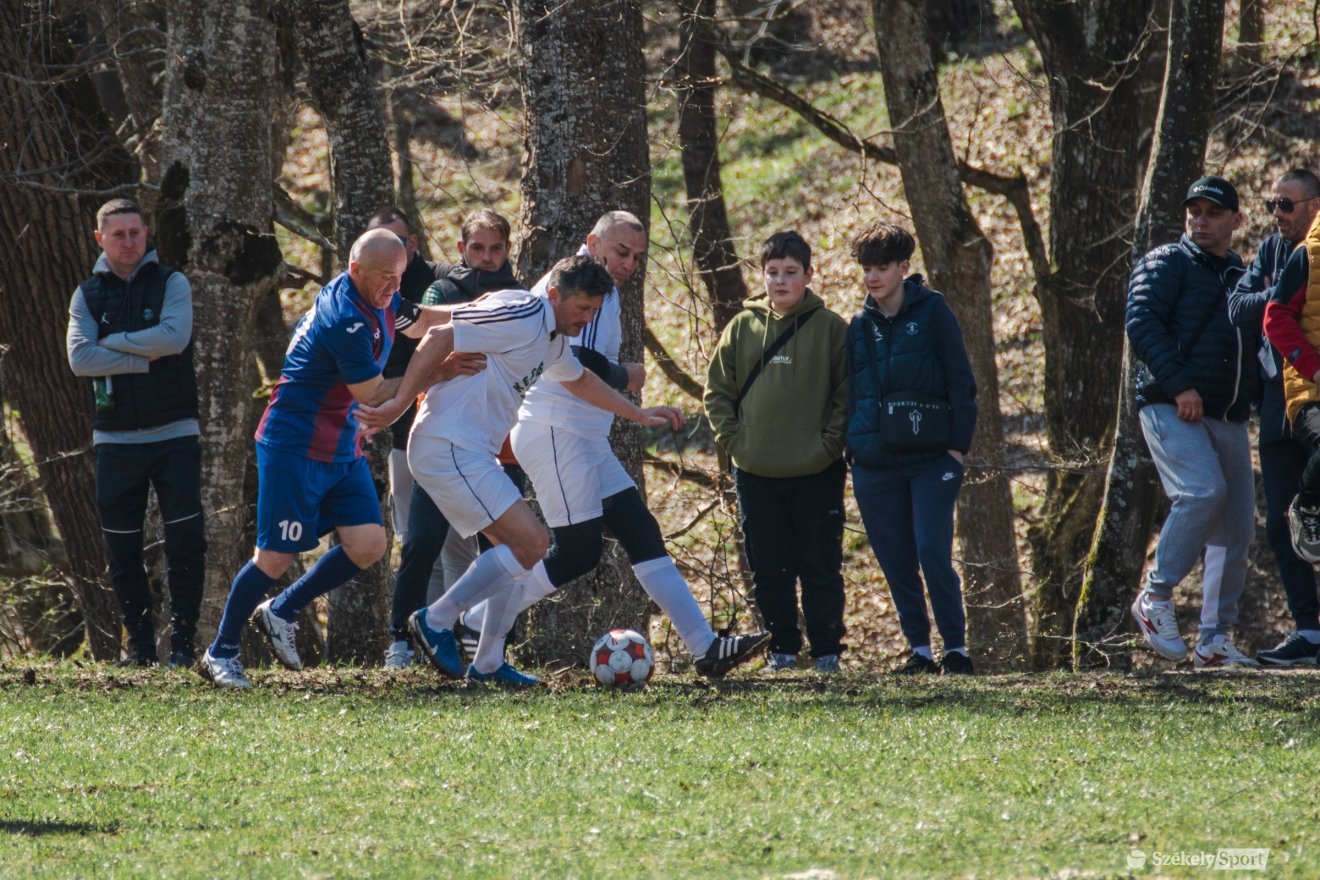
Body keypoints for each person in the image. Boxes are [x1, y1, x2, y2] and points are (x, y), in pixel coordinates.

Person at [459, 211, 770, 676]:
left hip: (585, 437)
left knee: (641, 531)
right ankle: (474, 621)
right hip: (554, 432)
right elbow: (573, 361)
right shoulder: (573, 286)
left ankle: (704, 647)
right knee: (577, 552)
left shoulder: (604, 289)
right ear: (593, 241)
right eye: (621, 251)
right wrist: (628, 380)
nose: (628, 263)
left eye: (637, 257)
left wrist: (628, 399)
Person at [361, 255, 688, 688]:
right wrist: (399, 403)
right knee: (531, 543)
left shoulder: (549, 337)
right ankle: (435, 619)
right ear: (554, 294)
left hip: (470, 449)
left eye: (594, 311)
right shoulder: (525, 311)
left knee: (517, 553)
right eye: (581, 309)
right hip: (449, 442)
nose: (586, 319)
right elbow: (440, 334)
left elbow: (580, 380)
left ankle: (490, 661)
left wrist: (638, 414)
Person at [198, 229, 481, 688]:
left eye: (398, 276)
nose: (393, 286)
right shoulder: (346, 318)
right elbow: (374, 396)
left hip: (339, 443)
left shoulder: (380, 294)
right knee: (274, 557)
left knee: (369, 544)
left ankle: (282, 609)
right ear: (354, 270)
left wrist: (486, 315)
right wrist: (438, 369)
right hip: (294, 444)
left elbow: (424, 318)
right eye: (384, 278)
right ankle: (221, 653)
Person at [66, 198, 206, 668]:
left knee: (185, 543)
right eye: (118, 233)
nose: (128, 242)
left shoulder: (172, 283)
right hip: (115, 440)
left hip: (175, 434)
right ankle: (142, 651)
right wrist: (143, 359)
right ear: (99, 238)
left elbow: (173, 338)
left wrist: (112, 345)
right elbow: (79, 360)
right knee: (122, 549)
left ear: (147, 235)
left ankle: (183, 648)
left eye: (136, 233)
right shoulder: (86, 294)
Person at [383, 208, 523, 669]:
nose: (486, 257)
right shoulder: (440, 291)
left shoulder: (522, 298)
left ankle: (490, 646)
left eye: (495, 248)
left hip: (502, 443)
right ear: (461, 250)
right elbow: (416, 344)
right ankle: (400, 640)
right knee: (422, 541)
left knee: (505, 551)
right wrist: (441, 367)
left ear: (507, 250)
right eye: (477, 247)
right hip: (444, 439)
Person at [1127, 176, 1258, 668]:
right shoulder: (1166, 262)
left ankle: (1215, 642)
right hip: (1171, 403)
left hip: (1226, 414)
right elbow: (1141, 321)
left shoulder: (1242, 276)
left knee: (1235, 531)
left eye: (1213, 212)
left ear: (1235, 221)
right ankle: (1155, 597)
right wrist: (1180, 385)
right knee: (1202, 492)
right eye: (1194, 211)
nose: (1200, 220)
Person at [703, 231, 849, 672]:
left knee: (820, 565)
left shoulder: (832, 329)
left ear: (809, 274)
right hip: (755, 472)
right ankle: (781, 649)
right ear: (761, 276)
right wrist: (737, 443)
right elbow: (717, 393)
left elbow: (847, 396)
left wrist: (826, 446)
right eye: (772, 273)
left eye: (790, 272)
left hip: (817, 471)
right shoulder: (741, 328)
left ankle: (826, 652)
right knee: (769, 567)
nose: (781, 281)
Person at [843, 223, 977, 675]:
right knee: (896, 559)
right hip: (874, 464)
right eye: (866, 268)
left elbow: (961, 381)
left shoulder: (934, 311)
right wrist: (854, 451)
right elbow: (849, 392)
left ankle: (955, 650)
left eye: (882, 267)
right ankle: (919, 651)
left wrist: (956, 449)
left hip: (932, 459)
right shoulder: (858, 325)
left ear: (904, 267)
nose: (873, 276)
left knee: (931, 551)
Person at [1228, 169, 1320, 666]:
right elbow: (1239, 305)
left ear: (1313, 204)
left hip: (1315, 395)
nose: (1277, 214)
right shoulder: (1271, 252)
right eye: (1272, 205)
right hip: (1273, 398)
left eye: (1286, 205)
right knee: (1283, 521)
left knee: (1311, 508)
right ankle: (1308, 632)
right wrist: (1283, 292)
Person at [364, 208, 443, 582]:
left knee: (455, 538)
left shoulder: (437, 281)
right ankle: (414, 627)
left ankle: (452, 627)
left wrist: (486, 314)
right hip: (398, 434)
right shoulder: (358, 299)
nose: (386, 255)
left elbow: (426, 321)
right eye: (376, 247)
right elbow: (372, 383)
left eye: (394, 244)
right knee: (411, 537)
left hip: (447, 431)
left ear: (412, 244)